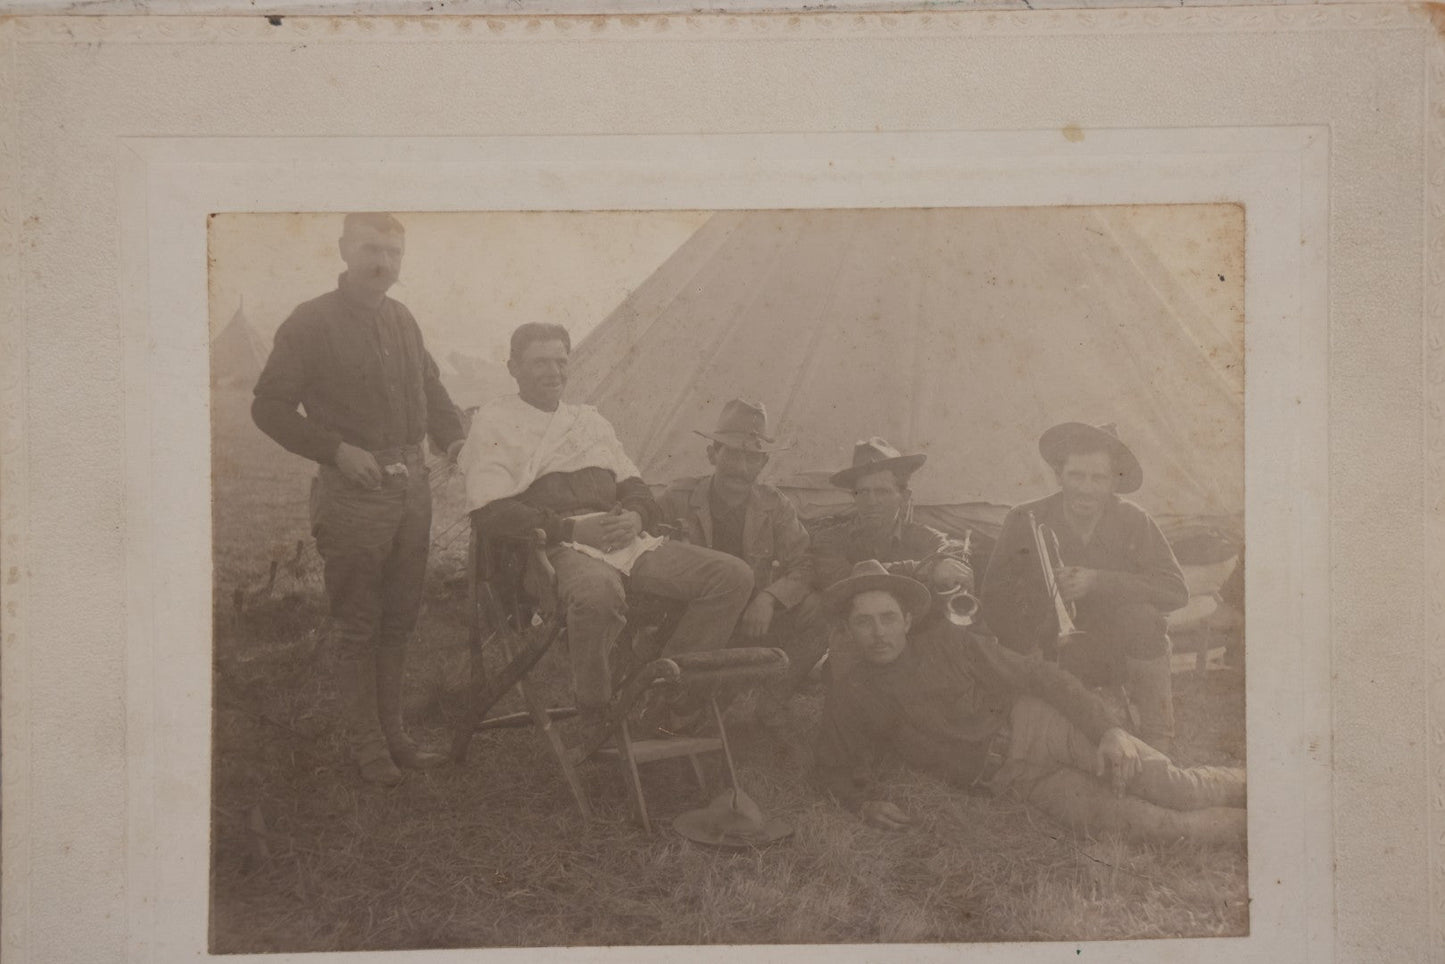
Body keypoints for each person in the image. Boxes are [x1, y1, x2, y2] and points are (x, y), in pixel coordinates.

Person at [813, 561, 1246, 845]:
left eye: (888, 618)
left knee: (1176, 787)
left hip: (1041, 729)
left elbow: (1040, 675)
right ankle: (1261, 834)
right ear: (849, 630)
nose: (879, 632)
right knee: (1158, 828)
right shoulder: (852, 692)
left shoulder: (948, 642)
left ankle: (1277, 793)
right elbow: (832, 764)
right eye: (863, 622)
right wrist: (862, 802)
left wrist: (1108, 731)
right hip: (1011, 780)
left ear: (907, 619)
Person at [458, 323, 754, 737]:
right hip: (550, 550)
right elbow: (490, 513)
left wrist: (635, 517)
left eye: (561, 361)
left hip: (621, 539)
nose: (554, 372)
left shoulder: (589, 421)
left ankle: (664, 694)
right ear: (513, 367)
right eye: (540, 362)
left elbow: (636, 487)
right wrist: (571, 529)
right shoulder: (496, 421)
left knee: (731, 575)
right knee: (598, 593)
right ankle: (598, 714)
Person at [252, 212, 465, 786]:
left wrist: (457, 438)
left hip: (411, 490)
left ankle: (396, 736)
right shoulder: (310, 321)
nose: (384, 264)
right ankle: (368, 747)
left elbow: (433, 390)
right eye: (372, 250)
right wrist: (336, 450)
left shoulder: (403, 319)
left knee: (398, 619)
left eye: (395, 254)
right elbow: (267, 407)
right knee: (357, 623)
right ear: (345, 249)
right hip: (353, 493)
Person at [980, 422, 1189, 751]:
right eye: (1076, 476)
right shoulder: (1025, 518)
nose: (1086, 489)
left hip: (1116, 650)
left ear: (1112, 483)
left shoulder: (1133, 520)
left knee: (1145, 619)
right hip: (1048, 651)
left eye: (1098, 478)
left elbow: (1175, 590)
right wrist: (1041, 600)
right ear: (1059, 474)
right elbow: (992, 598)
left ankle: (1158, 736)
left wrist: (1099, 581)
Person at [657, 399, 823, 721]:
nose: (740, 467)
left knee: (818, 610)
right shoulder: (678, 499)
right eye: (732, 453)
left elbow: (805, 563)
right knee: (678, 702)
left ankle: (764, 706)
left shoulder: (774, 506)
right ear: (712, 454)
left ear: (762, 464)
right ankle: (675, 695)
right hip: (690, 620)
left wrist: (769, 598)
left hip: (749, 620)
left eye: (751, 457)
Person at [808, 438, 973, 679]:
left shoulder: (927, 538)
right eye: (862, 492)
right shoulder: (830, 539)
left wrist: (949, 568)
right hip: (856, 640)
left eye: (882, 491)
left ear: (904, 496)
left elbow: (947, 560)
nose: (872, 501)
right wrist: (924, 571)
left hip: (915, 638)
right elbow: (843, 581)